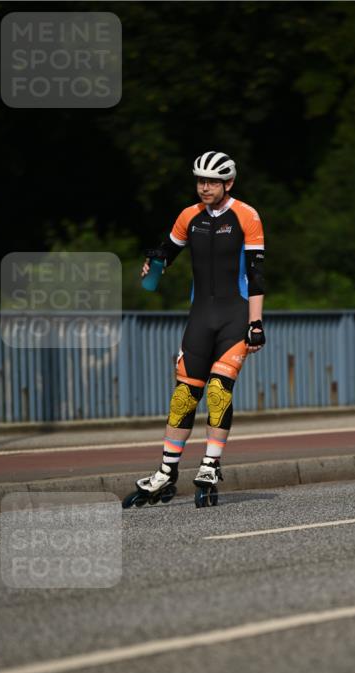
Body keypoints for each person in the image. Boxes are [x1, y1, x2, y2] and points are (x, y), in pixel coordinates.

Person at [132, 150, 265, 501]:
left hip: (235, 317)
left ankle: (210, 464)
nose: (204, 187)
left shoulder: (246, 215)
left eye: (212, 182)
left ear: (228, 183)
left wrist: (256, 324)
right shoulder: (189, 216)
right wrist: (155, 263)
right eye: (200, 181)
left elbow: (256, 275)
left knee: (219, 392)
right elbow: (168, 251)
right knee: (183, 398)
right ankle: (165, 472)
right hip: (200, 318)